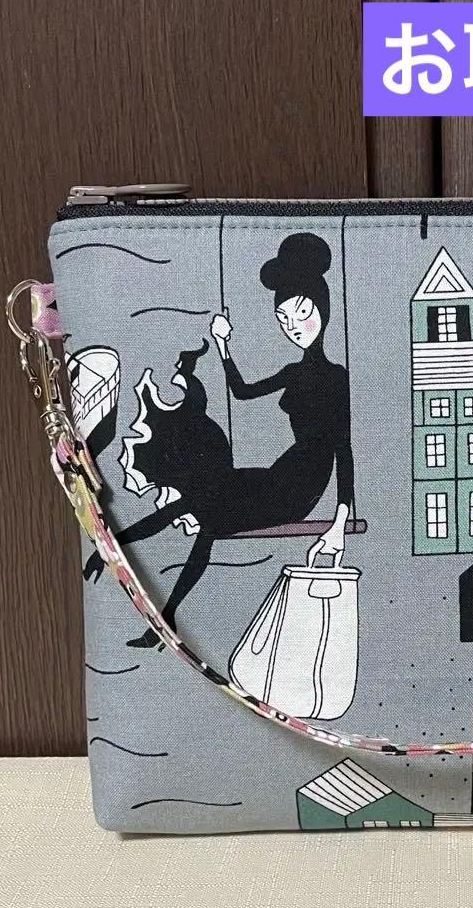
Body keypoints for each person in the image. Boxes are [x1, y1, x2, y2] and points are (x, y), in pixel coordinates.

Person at [109, 232, 355, 648]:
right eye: (284, 319)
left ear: (323, 308)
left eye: (302, 312)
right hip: (282, 474)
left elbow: (343, 450)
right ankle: (121, 557)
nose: (294, 326)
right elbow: (242, 392)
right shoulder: (294, 372)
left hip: (301, 488)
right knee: (200, 500)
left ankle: (149, 597)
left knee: (206, 513)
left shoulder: (336, 377)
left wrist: (339, 524)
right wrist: (223, 346)